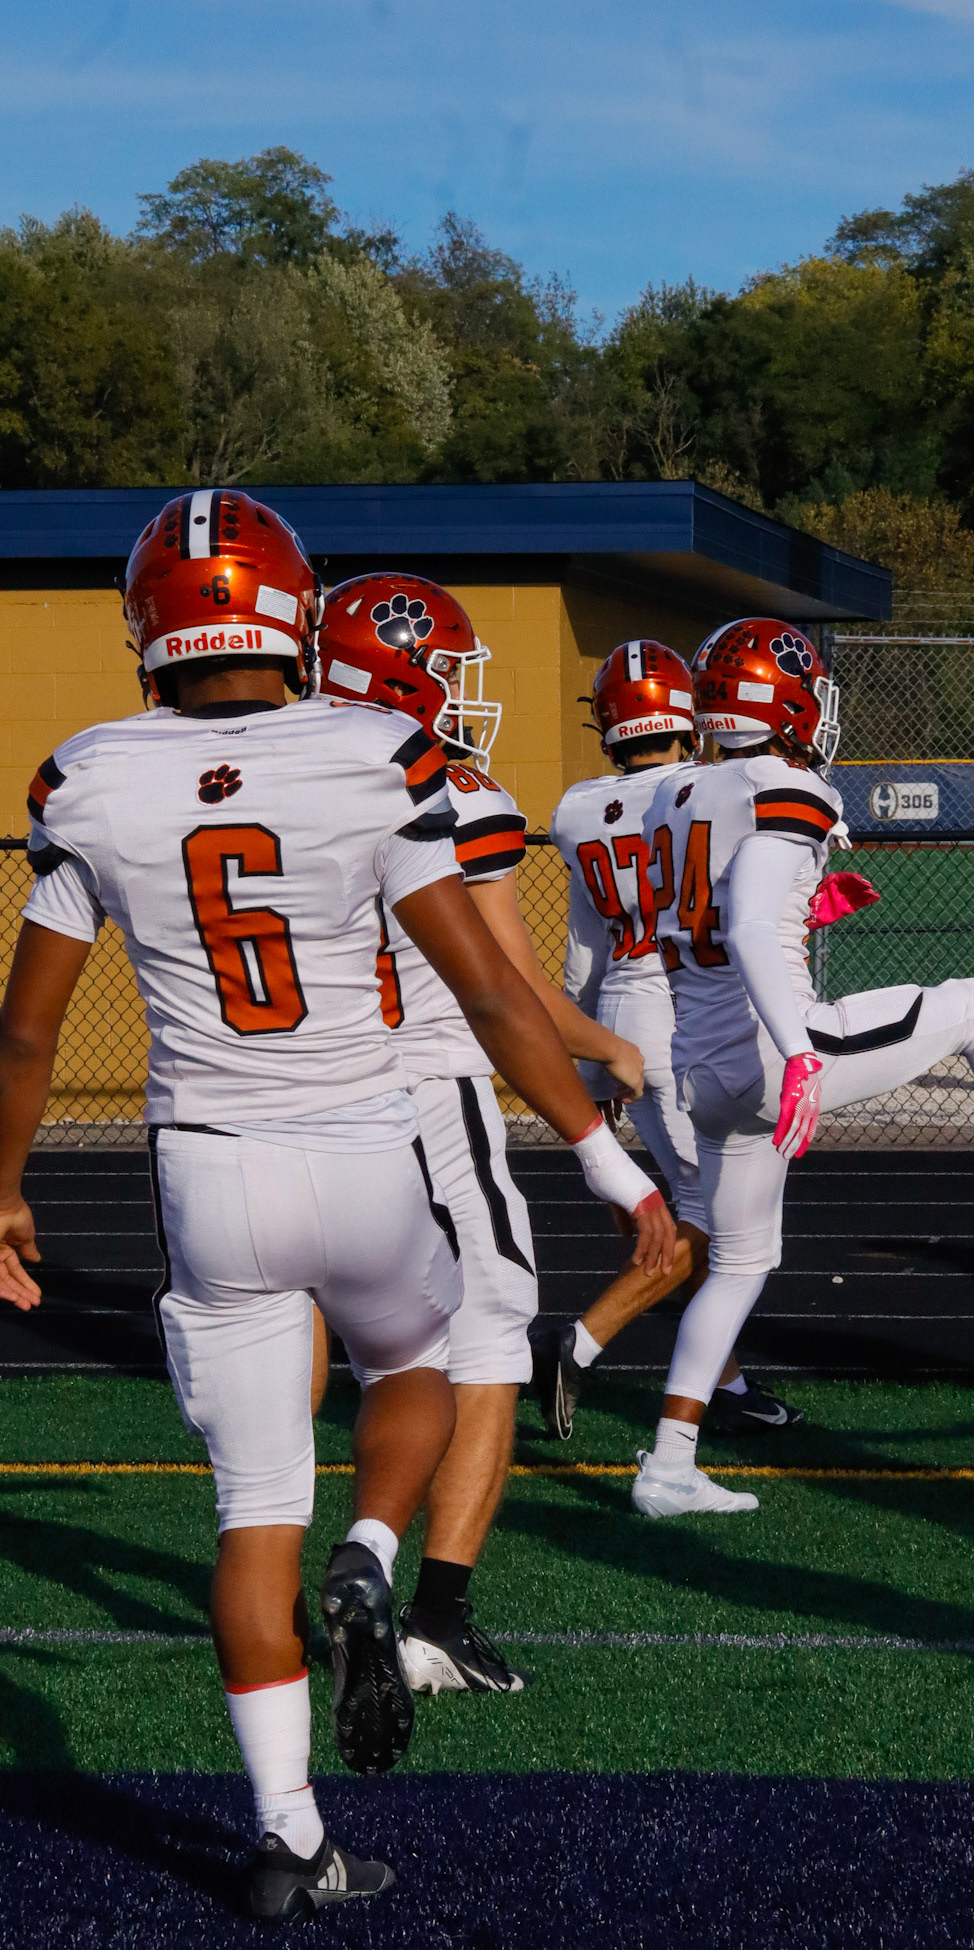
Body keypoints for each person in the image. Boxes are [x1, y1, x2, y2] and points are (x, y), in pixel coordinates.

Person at [0, 490, 675, 1920]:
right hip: (367, 1146)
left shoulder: (90, 778)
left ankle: (288, 1840)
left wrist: (0, 1189)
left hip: (208, 1169)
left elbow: (25, 1035)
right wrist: (609, 1166)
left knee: (252, 1513)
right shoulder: (377, 754)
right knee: (418, 1364)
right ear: (293, 615)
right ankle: (373, 1553)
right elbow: (490, 992)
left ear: (146, 627)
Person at [631, 614, 974, 1519]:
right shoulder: (789, 783)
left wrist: (809, 903)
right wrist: (800, 1050)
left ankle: (667, 1467)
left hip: (700, 1066)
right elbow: (746, 925)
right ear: (782, 701)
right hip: (773, 1050)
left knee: (738, 1266)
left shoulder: (672, 793)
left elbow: (715, 911)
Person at [315, 575, 648, 1697]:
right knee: (491, 1338)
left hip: (305, 1100)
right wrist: (613, 1052)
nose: (459, 693)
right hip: (430, 1091)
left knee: (327, 1346)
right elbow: (508, 986)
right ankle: (436, 1618)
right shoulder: (451, 788)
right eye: (445, 669)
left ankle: (279, 1585)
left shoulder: (285, 765)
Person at [538, 639, 803, 1440]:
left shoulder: (577, 810)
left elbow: (583, 955)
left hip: (620, 1010)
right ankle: (582, 1340)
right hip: (687, 1008)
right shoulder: (708, 790)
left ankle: (725, 1383)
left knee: (697, 1207)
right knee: (717, 1216)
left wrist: (592, 1076)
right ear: (687, 717)